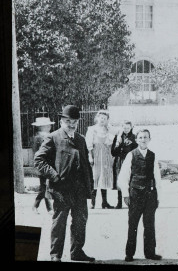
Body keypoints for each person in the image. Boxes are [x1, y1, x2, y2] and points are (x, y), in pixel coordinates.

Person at [34, 105, 95, 262]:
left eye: (74, 121)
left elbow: (86, 165)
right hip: (61, 189)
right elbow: (39, 160)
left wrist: (90, 188)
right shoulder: (53, 137)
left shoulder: (80, 139)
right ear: (61, 121)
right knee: (59, 222)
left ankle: (77, 252)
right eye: (68, 121)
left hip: (79, 189)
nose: (71, 124)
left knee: (80, 221)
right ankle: (55, 255)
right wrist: (54, 176)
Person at [118, 129, 162, 262]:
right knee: (133, 225)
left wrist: (158, 196)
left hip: (150, 195)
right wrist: (126, 195)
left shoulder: (153, 155)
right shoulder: (131, 155)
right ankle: (129, 253)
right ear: (136, 140)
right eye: (141, 137)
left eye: (146, 137)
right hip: (135, 195)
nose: (143, 140)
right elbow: (123, 177)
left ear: (149, 139)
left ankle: (150, 253)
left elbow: (157, 177)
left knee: (149, 225)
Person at [86, 110, 115, 209]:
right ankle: (93, 202)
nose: (102, 120)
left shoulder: (108, 130)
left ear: (107, 120)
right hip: (96, 154)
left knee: (104, 177)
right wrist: (90, 156)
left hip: (106, 155)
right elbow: (89, 144)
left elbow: (110, 142)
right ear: (97, 118)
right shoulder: (92, 129)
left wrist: (110, 129)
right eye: (101, 118)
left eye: (105, 118)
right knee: (95, 177)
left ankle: (104, 202)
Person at [111, 120, 138, 209]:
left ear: (131, 128)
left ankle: (131, 202)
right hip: (119, 161)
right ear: (122, 127)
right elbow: (113, 153)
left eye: (128, 128)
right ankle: (119, 203)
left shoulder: (134, 138)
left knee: (129, 181)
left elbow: (136, 151)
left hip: (129, 161)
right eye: (124, 128)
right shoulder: (117, 137)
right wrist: (117, 144)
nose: (126, 129)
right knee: (119, 181)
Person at [31, 116, 55, 214]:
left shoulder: (47, 136)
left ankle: (48, 208)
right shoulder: (38, 138)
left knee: (45, 187)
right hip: (42, 165)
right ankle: (36, 206)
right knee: (44, 187)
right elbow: (38, 153)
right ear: (42, 127)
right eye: (47, 125)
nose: (49, 126)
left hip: (46, 165)